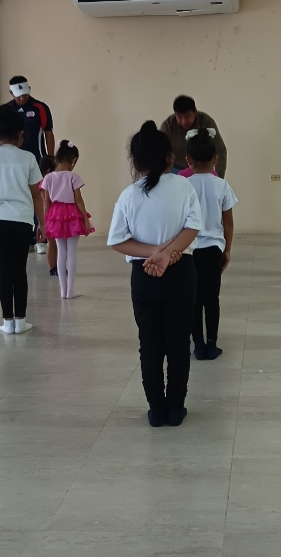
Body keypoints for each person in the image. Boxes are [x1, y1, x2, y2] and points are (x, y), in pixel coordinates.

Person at [108, 121, 202, 427]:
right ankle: (175, 410)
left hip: (144, 275)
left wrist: (153, 253)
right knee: (179, 344)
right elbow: (193, 227)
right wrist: (168, 253)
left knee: (149, 345)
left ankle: (156, 411)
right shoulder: (184, 186)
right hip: (181, 272)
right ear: (169, 157)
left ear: (135, 163)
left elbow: (118, 241)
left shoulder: (128, 195)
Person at [0, 106, 45, 334]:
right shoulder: (29, 158)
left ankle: (7, 322)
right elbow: (37, 195)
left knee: (4, 269)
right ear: (21, 135)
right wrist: (42, 224)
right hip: (22, 220)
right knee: (20, 270)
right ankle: (21, 321)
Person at [184, 128, 237, 361]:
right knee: (212, 298)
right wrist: (227, 250)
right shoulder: (222, 186)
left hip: (190, 250)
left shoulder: (184, 186)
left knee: (194, 299)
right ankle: (212, 344)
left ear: (188, 159)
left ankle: (198, 345)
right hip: (214, 250)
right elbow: (228, 222)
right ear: (215, 159)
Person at [3, 75, 55, 252]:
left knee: (39, 198)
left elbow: (48, 132)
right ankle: (25, 239)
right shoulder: (7, 110)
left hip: (38, 159)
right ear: (11, 93)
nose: (22, 98)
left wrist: (50, 157)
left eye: (25, 94)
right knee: (21, 197)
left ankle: (40, 238)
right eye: (19, 96)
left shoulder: (40, 107)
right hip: (15, 162)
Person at [40, 140, 94, 299]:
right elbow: (79, 200)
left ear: (57, 159)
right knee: (72, 253)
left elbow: (47, 202)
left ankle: (63, 292)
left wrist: (46, 221)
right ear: (74, 160)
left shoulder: (48, 178)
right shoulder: (73, 177)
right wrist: (85, 219)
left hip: (55, 215)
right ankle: (70, 291)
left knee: (61, 252)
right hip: (72, 214)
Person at [160, 95, 228, 179]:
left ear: (195, 112)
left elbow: (220, 150)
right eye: (179, 117)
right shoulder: (168, 126)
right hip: (175, 169)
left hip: (201, 168)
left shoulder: (206, 121)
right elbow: (160, 153)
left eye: (187, 116)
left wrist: (219, 179)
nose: (184, 121)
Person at [39, 155, 59, 276]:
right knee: (52, 244)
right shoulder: (43, 184)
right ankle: (53, 267)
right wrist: (45, 220)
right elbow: (46, 201)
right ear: (48, 170)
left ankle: (58, 266)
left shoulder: (51, 181)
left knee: (57, 244)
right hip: (49, 216)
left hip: (54, 215)